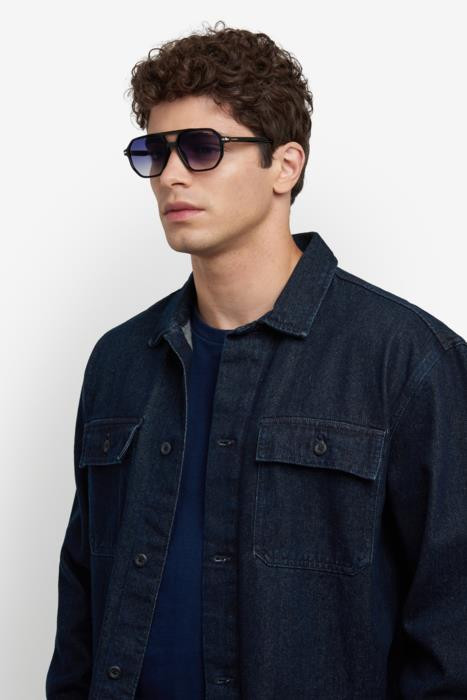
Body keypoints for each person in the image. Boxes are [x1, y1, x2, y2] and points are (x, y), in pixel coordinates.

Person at [45, 20, 467, 700]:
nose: (171, 175)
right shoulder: (119, 361)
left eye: (202, 148)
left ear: (285, 166)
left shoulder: (408, 361)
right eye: (155, 151)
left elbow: (453, 629)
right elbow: (82, 605)